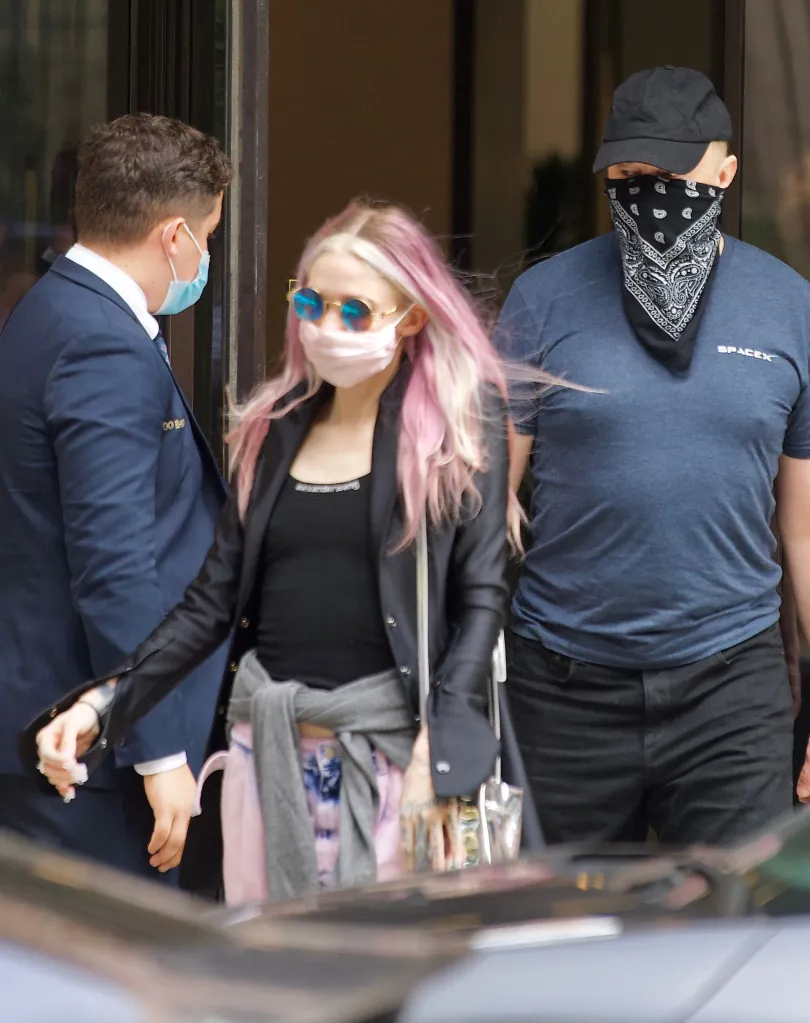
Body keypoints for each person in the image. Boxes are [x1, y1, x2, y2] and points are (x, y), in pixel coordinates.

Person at [29, 199, 518, 904]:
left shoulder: (454, 432)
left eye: (355, 312)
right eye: (313, 303)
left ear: (409, 318)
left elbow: (481, 601)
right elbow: (210, 602)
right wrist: (102, 705)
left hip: (392, 768)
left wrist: (435, 760)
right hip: (266, 761)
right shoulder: (274, 427)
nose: (326, 326)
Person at [496, 66, 810, 848]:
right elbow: (483, 499)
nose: (648, 194)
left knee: (734, 935)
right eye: (628, 177)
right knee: (561, 937)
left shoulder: (788, 307)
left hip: (729, 685)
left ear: (724, 174)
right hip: (562, 684)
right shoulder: (544, 299)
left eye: (669, 175)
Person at [0, 113, 231, 880]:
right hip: (85, 751)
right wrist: (158, 746)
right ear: (174, 236)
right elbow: (114, 563)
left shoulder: (51, 308)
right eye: (209, 236)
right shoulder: (101, 341)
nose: (207, 257)